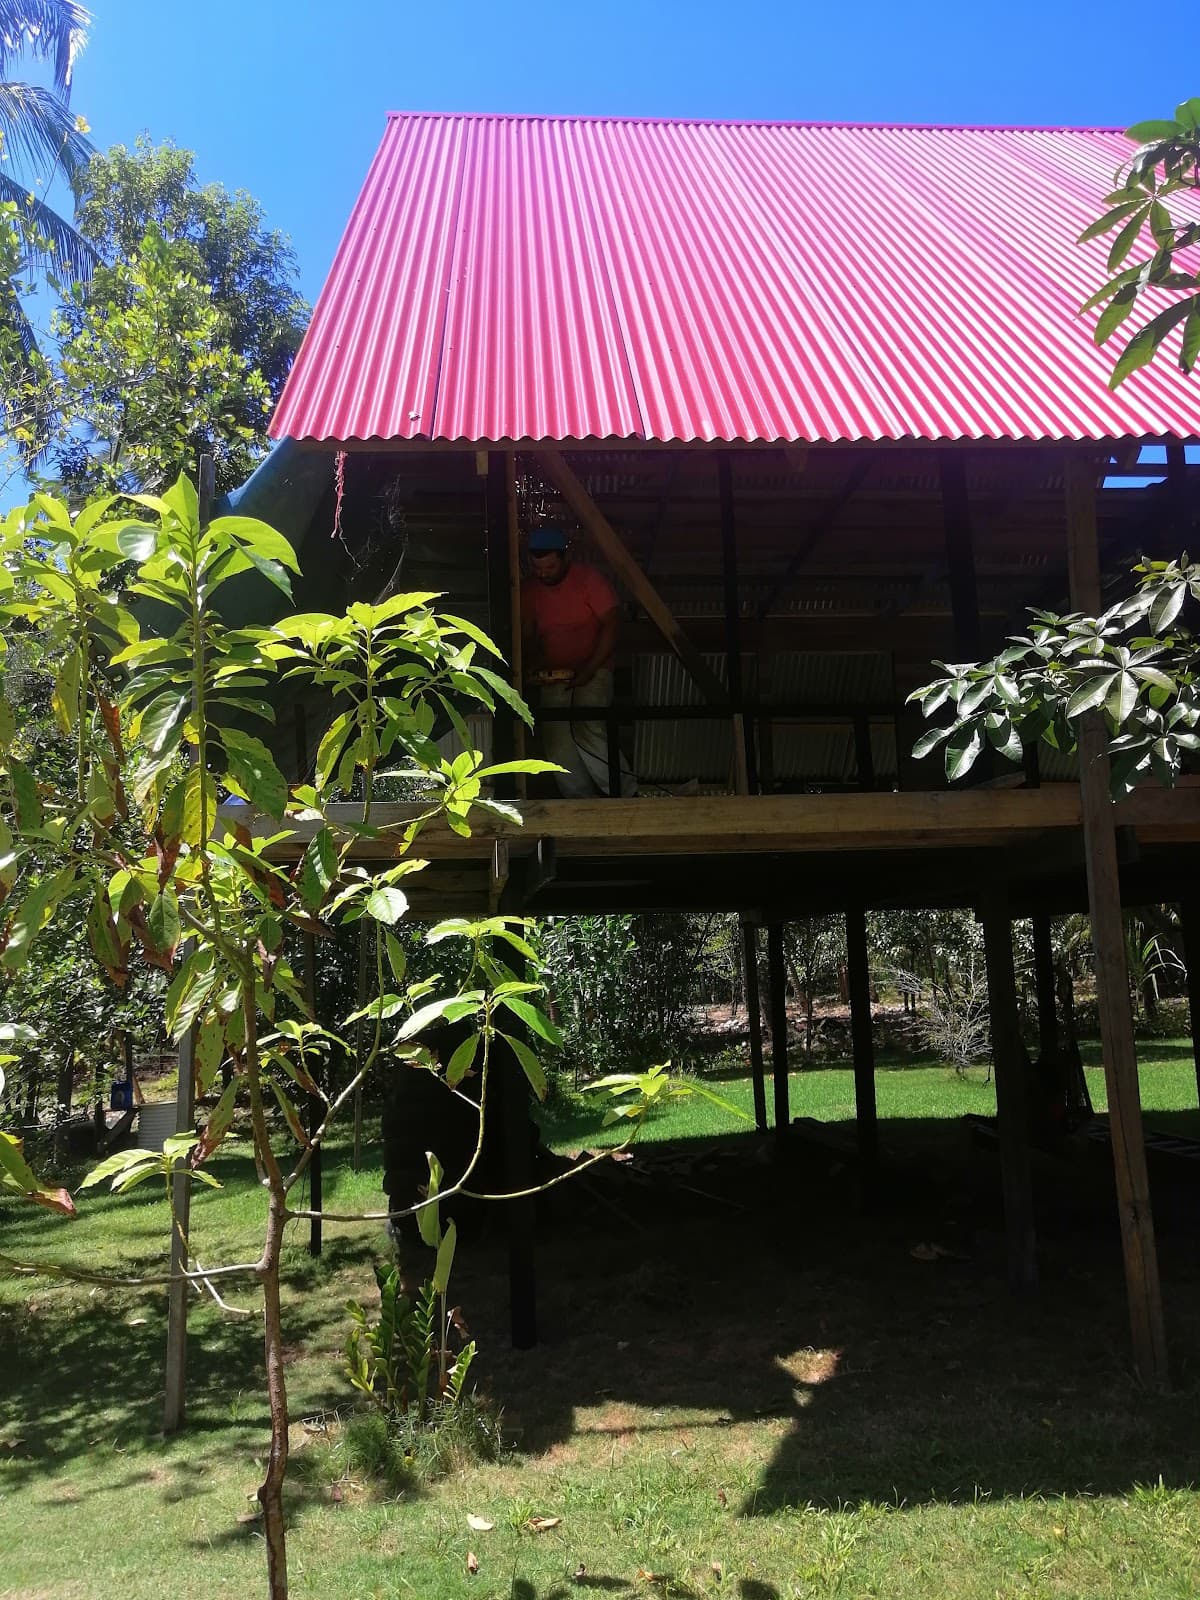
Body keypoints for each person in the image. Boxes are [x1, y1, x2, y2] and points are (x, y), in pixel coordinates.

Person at [521, 527, 636, 797]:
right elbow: (527, 633)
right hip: (553, 674)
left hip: (595, 668)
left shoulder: (588, 580)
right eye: (538, 568)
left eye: (549, 566)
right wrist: (531, 664)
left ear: (565, 558)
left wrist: (590, 668)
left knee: (588, 725)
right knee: (556, 738)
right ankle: (581, 801)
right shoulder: (529, 590)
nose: (543, 573)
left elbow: (611, 623)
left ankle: (625, 794)